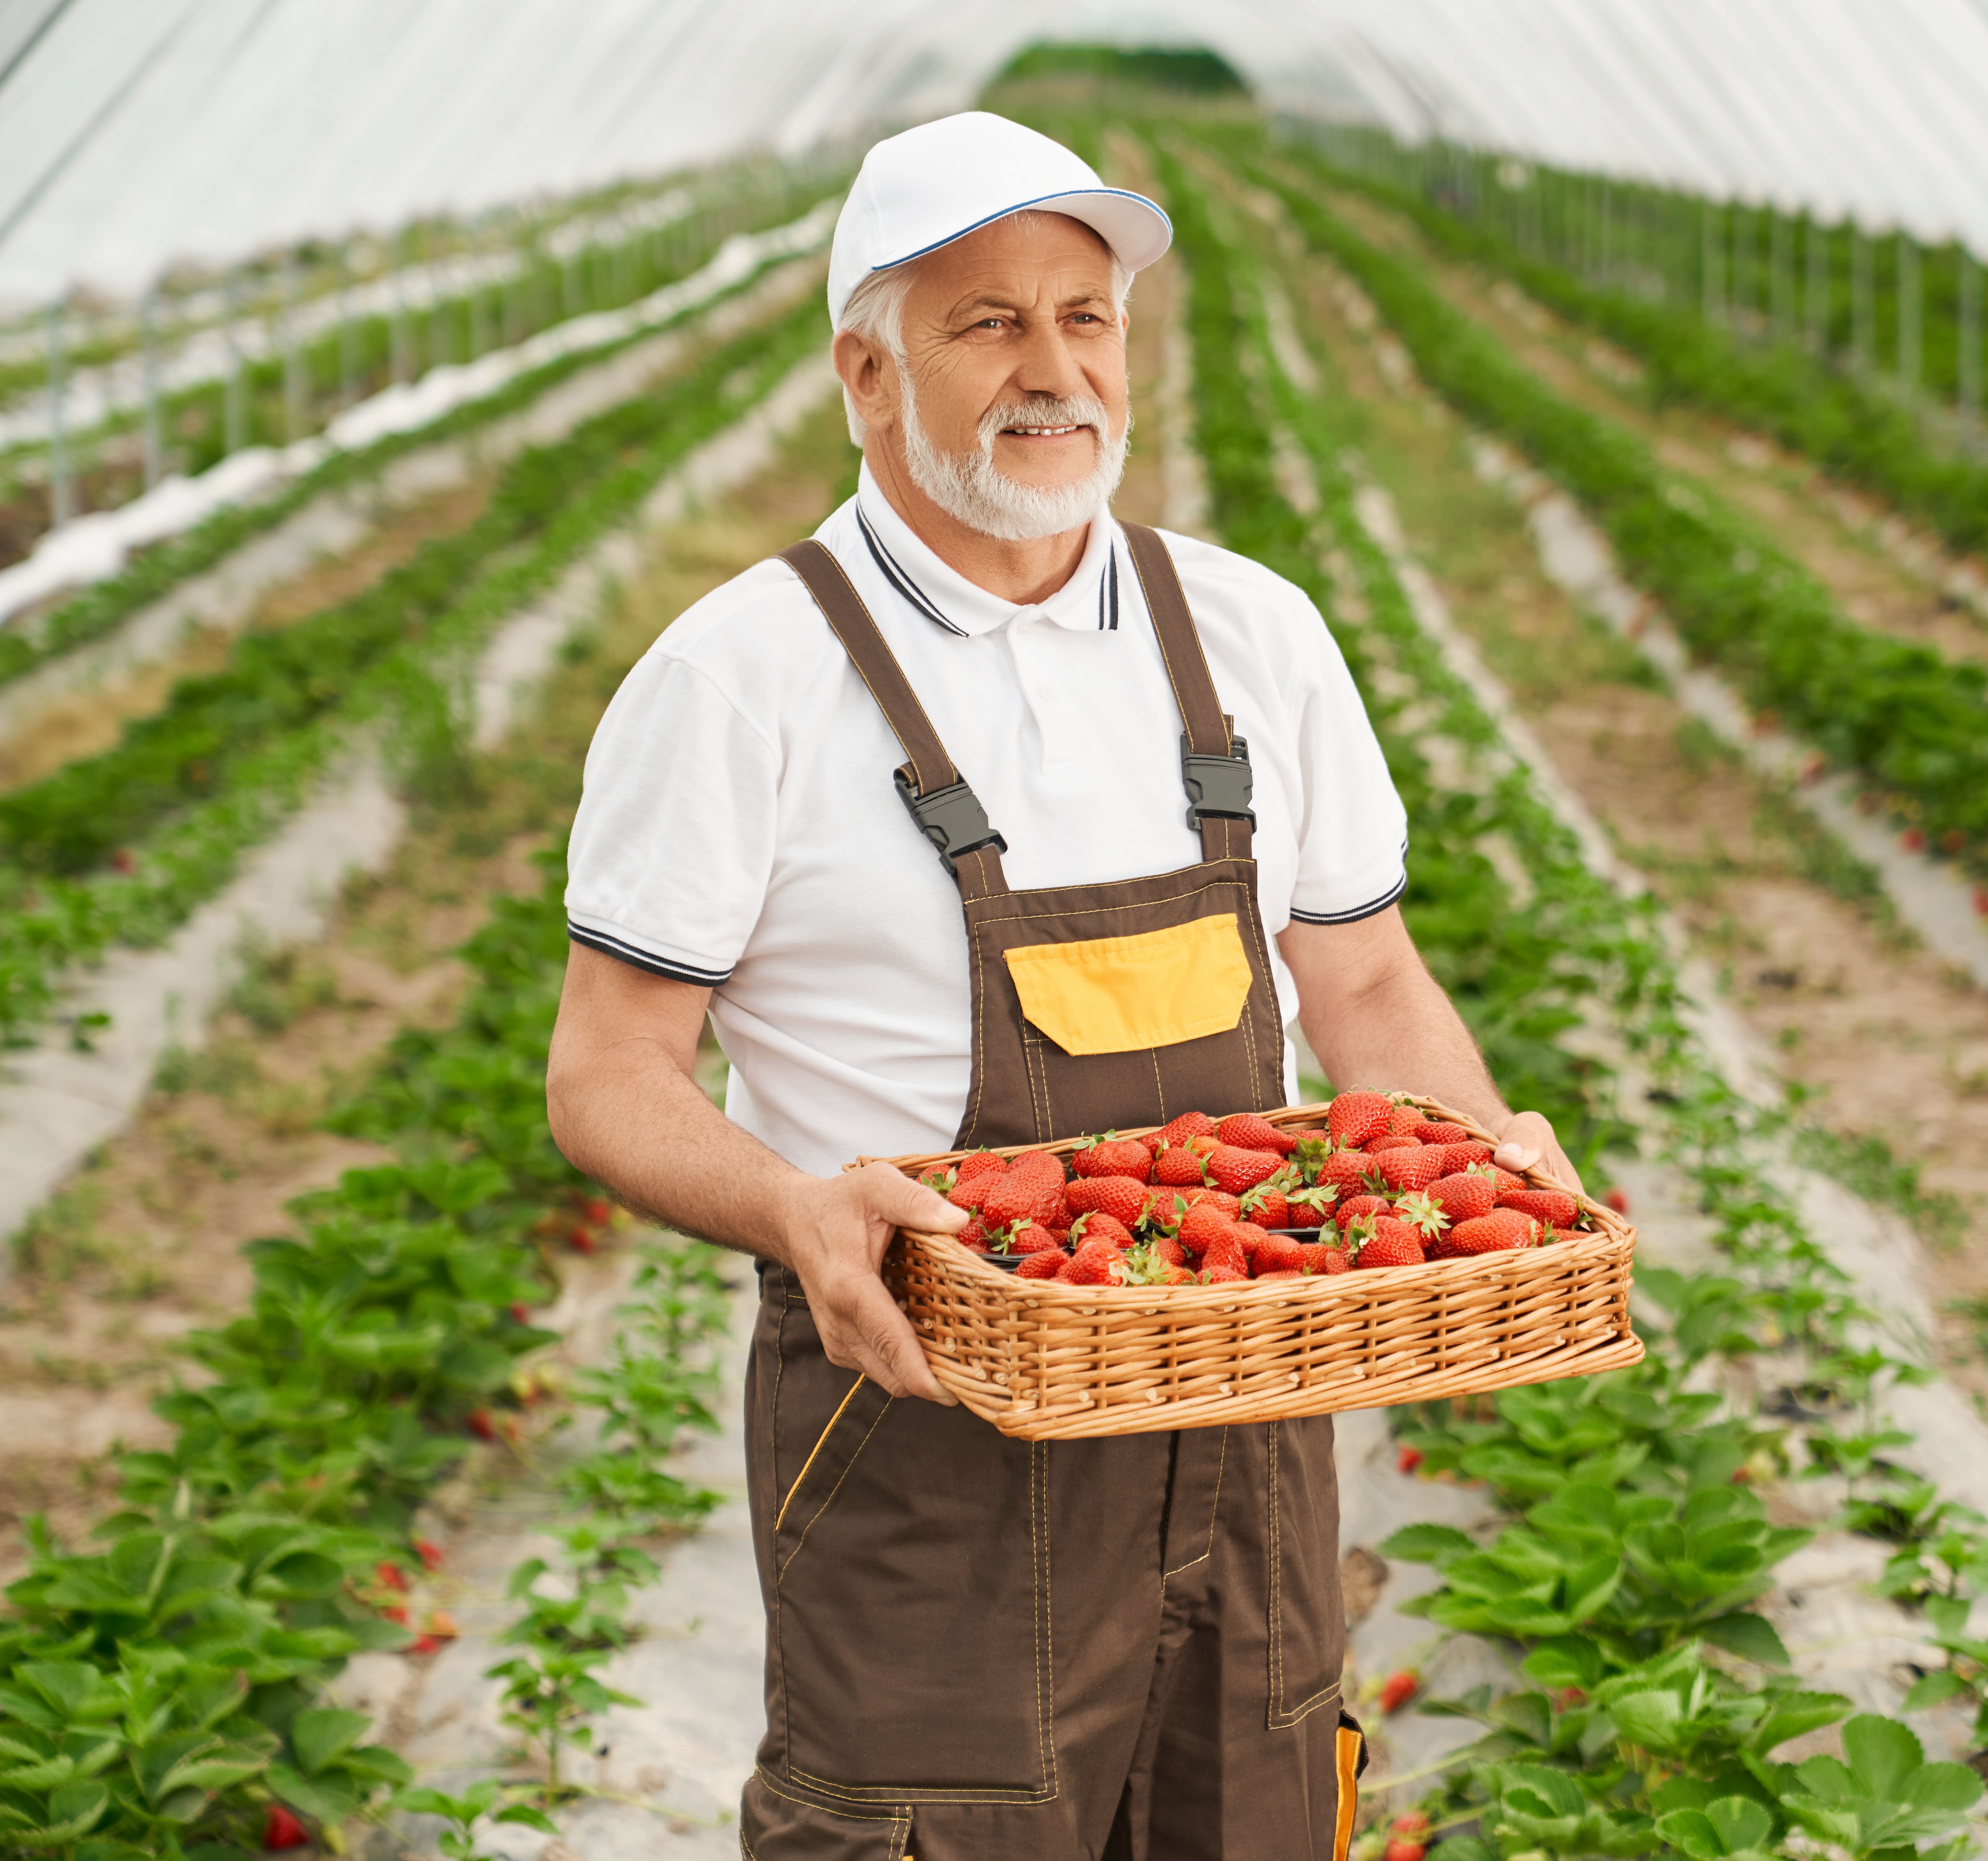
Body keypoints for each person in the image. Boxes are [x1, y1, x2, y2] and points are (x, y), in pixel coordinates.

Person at [544, 111, 1578, 1861]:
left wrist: (1483, 1173)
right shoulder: (744, 677)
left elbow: (1371, 979)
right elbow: (609, 1072)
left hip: (1243, 1421)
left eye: (1086, 318)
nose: (1054, 371)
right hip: (929, 1438)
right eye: (988, 324)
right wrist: (799, 1210)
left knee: (1254, 1825)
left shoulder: (1249, 635)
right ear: (867, 374)